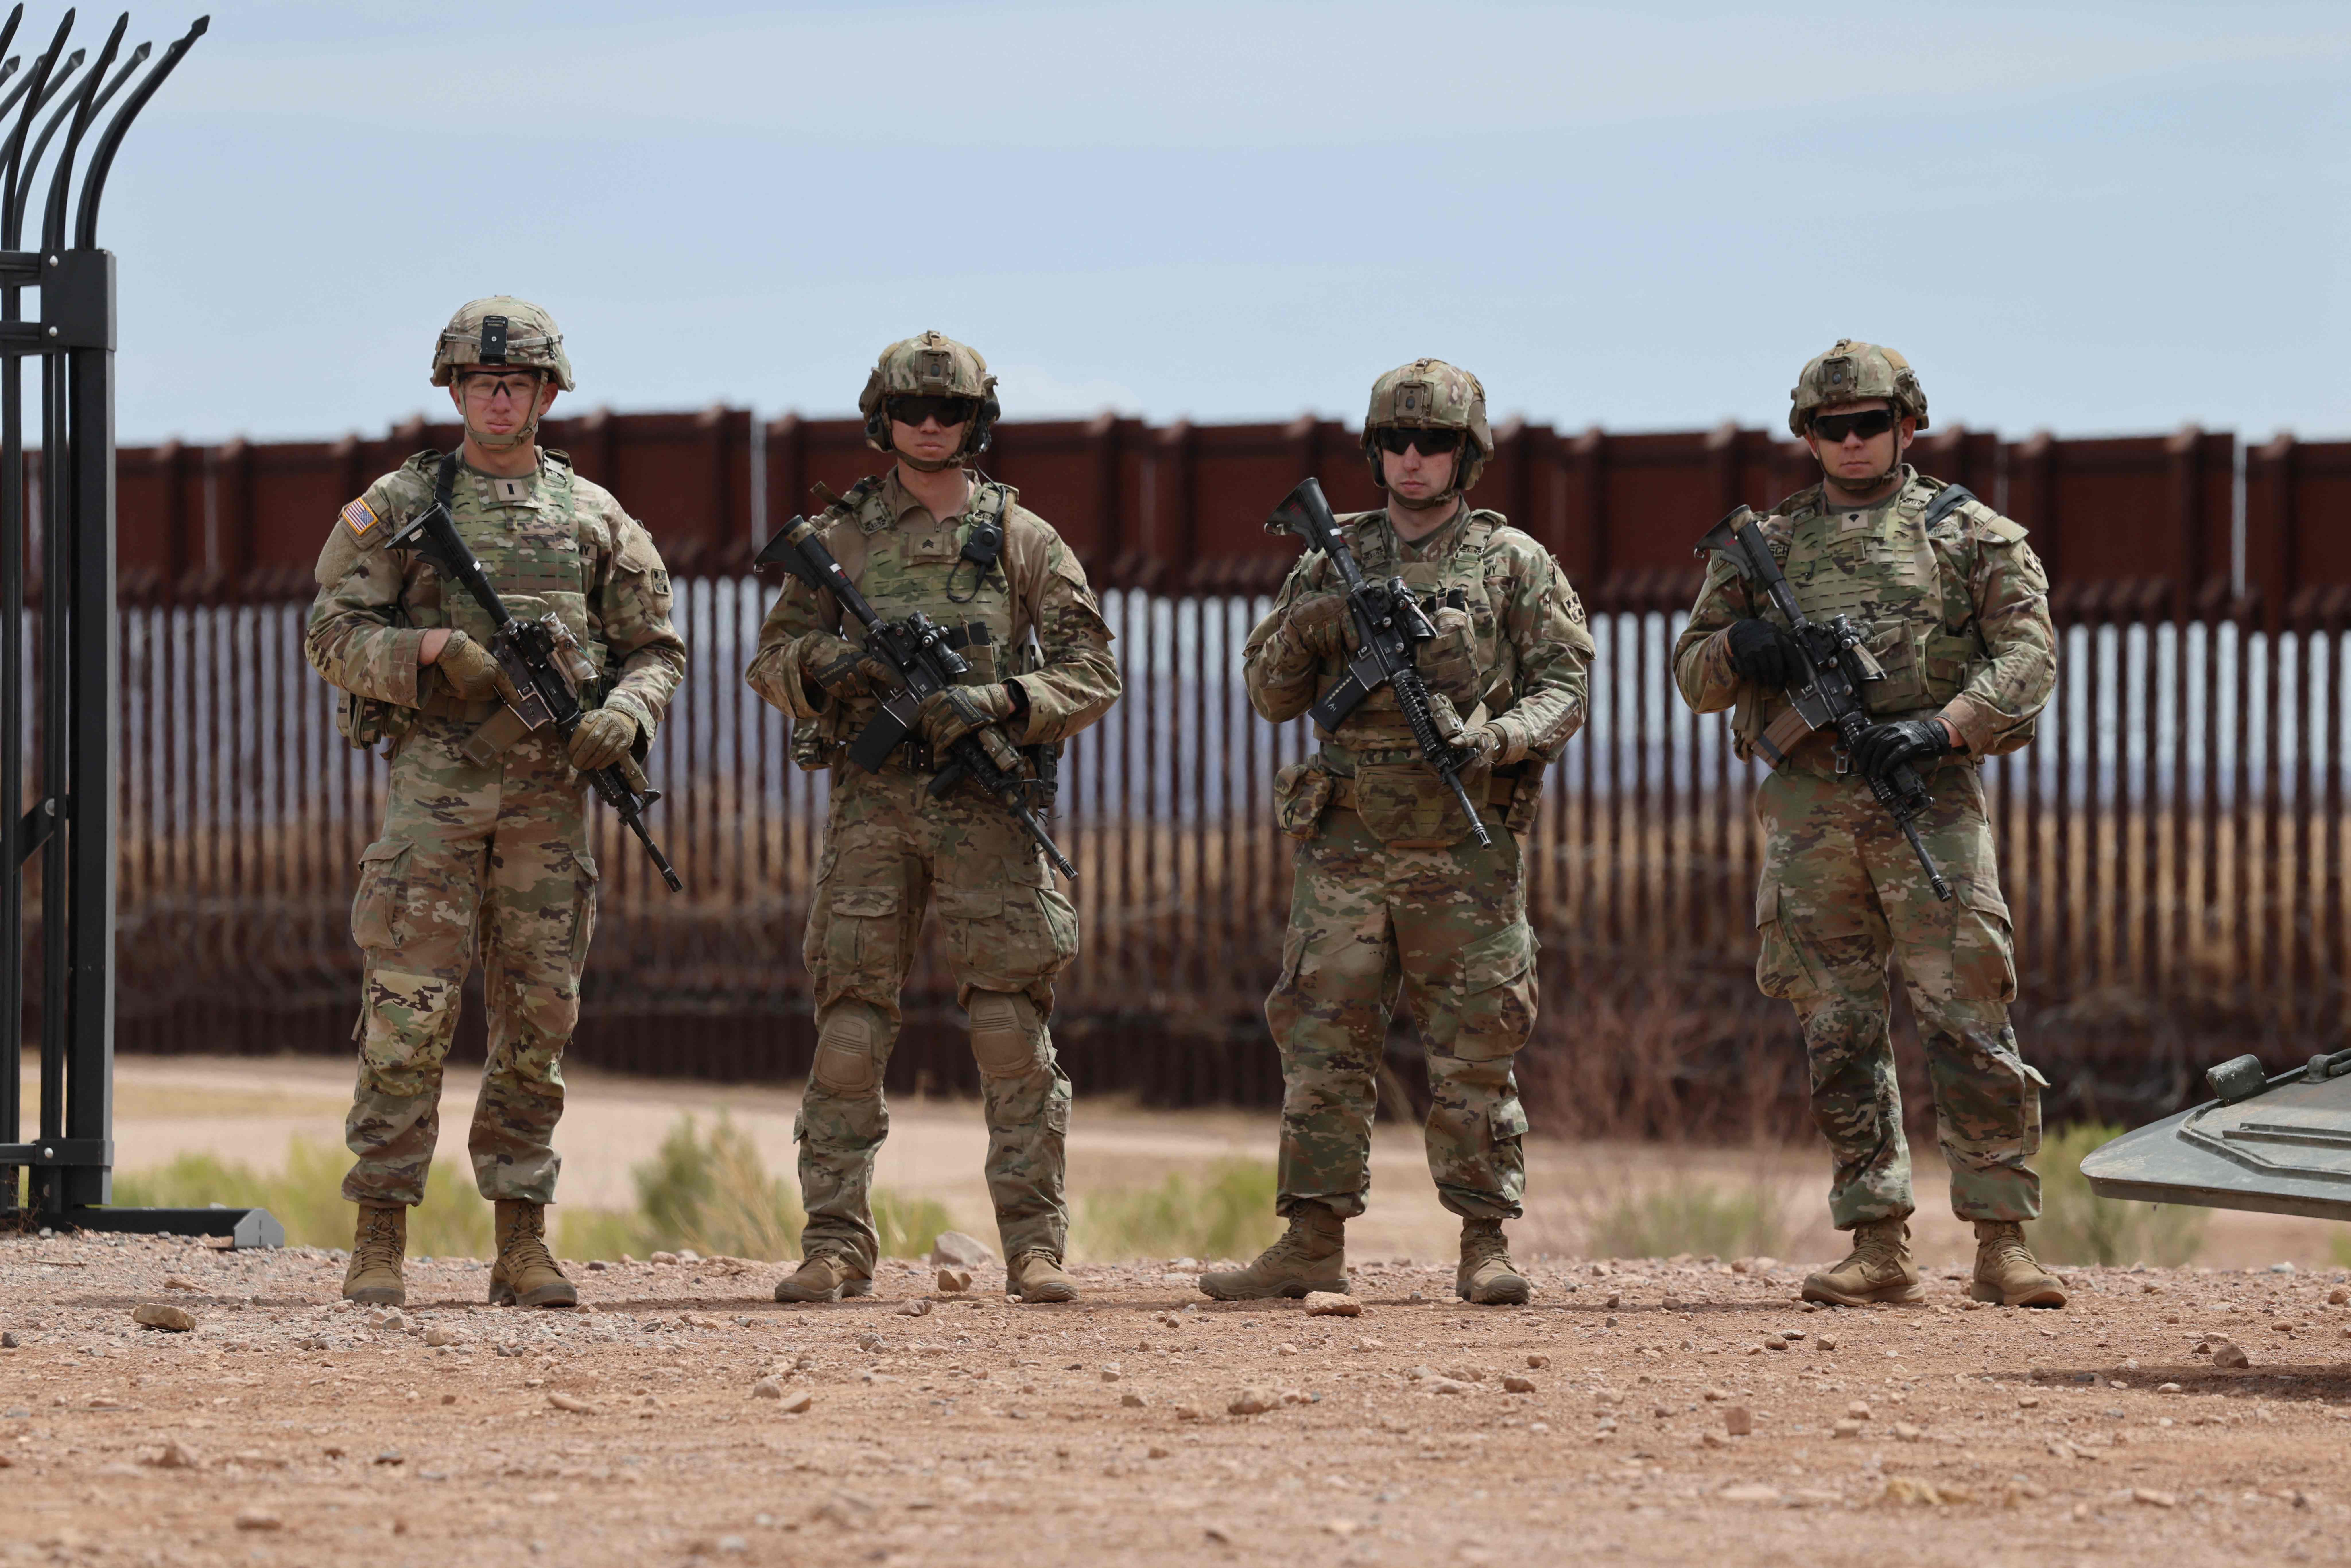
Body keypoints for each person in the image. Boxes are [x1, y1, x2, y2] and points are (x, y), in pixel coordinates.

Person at [306, 297, 686, 1309]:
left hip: (548, 809)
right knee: (406, 1014)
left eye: (516, 383)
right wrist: (432, 651)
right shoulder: (399, 504)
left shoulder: (595, 517)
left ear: (548, 393)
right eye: (482, 383)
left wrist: (626, 717)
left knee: (538, 1021)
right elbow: (331, 633)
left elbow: (657, 648)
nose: (499, 397)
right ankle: (379, 1236)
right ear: (456, 391)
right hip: (436, 798)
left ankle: (522, 1242)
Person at [1672, 339, 2065, 1307]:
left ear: (1908, 426)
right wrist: (1741, 644)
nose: (1852, 442)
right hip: (1811, 818)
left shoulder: (1973, 536)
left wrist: (1944, 726)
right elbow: (1690, 674)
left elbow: (2029, 658)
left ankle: (2002, 1242)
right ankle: (1877, 1239)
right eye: (1831, 428)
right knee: (1838, 1031)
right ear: (1807, 436)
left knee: (1970, 1022)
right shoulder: (1764, 544)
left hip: (1927, 805)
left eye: (1871, 425)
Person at [1204, 358, 1593, 1306]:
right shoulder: (1327, 557)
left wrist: (1494, 739)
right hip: (1346, 845)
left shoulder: (1513, 563)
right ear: (1375, 452)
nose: (1414, 459)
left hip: (1463, 846)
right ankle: (1310, 1239)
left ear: (1471, 455)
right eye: (1397, 443)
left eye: (1437, 444)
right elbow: (1267, 694)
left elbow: (1567, 688)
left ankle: (1485, 1242)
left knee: (1476, 1043)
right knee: (1322, 1037)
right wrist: (1320, 620)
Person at [746, 331, 1120, 1305]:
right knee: (851, 1029)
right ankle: (834, 1243)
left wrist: (1001, 703)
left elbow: (1093, 674)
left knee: (1007, 1024)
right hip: (875, 805)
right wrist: (839, 666)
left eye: (947, 410)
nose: (927, 425)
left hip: (985, 807)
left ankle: (1034, 1246)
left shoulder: (1024, 538)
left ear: (975, 421)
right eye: (910, 409)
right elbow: (772, 662)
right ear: (882, 418)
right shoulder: (840, 538)